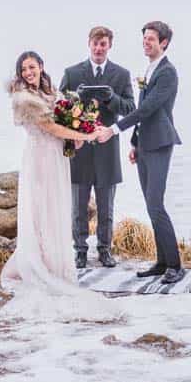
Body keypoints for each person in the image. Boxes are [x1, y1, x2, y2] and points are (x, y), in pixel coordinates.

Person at [1, 51, 102, 294]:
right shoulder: (24, 98)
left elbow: (63, 121)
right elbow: (51, 127)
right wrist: (85, 135)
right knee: (42, 207)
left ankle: (56, 262)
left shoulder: (49, 92)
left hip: (56, 156)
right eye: (24, 69)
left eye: (32, 67)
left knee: (56, 205)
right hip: (40, 157)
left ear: (41, 66)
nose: (28, 72)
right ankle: (42, 262)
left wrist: (79, 127)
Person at [95, 21, 184, 285]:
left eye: (151, 39)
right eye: (144, 38)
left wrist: (114, 129)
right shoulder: (150, 68)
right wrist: (135, 144)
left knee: (156, 205)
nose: (146, 43)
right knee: (150, 205)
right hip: (145, 143)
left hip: (160, 143)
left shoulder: (167, 72)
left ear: (164, 43)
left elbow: (148, 110)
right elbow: (144, 113)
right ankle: (162, 262)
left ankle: (176, 266)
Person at [58, 26, 135, 269]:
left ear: (109, 46)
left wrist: (111, 97)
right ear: (89, 44)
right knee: (78, 206)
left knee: (106, 207)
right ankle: (79, 250)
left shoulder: (121, 75)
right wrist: (75, 101)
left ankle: (105, 250)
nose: (99, 48)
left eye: (103, 44)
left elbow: (131, 109)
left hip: (107, 149)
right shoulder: (72, 73)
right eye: (95, 43)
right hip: (79, 149)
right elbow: (59, 108)